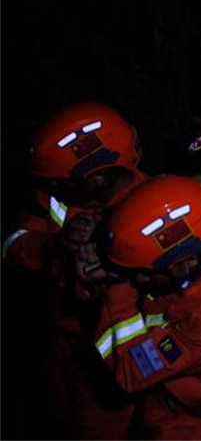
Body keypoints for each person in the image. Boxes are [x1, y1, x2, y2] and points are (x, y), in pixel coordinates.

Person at [3, 102, 148, 439]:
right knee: (52, 413)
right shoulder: (56, 198)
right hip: (56, 341)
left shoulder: (150, 213)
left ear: (95, 177)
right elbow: (12, 246)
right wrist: (52, 245)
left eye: (58, 182)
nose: (49, 189)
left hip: (102, 360)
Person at [92, 175, 201, 439]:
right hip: (170, 400)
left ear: (184, 264)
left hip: (192, 427)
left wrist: (115, 287)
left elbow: (130, 371)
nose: (137, 280)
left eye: (142, 273)